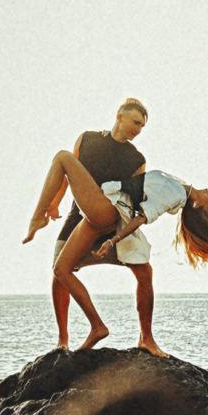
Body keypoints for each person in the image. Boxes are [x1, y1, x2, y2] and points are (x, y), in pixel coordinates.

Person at [24, 152, 208, 356]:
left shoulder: (175, 194)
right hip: (103, 215)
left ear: (198, 205)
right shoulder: (180, 188)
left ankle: (37, 217)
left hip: (105, 208)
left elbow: (141, 217)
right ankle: (99, 328)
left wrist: (113, 241)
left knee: (63, 158)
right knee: (62, 269)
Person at [26, 98, 161, 353]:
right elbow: (68, 176)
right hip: (78, 217)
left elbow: (131, 199)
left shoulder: (137, 159)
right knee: (59, 273)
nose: (138, 129)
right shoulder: (87, 139)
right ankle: (62, 340)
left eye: (142, 126)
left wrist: (118, 237)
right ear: (119, 116)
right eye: (135, 122)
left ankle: (147, 338)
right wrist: (54, 203)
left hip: (111, 222)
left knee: (144, 272)